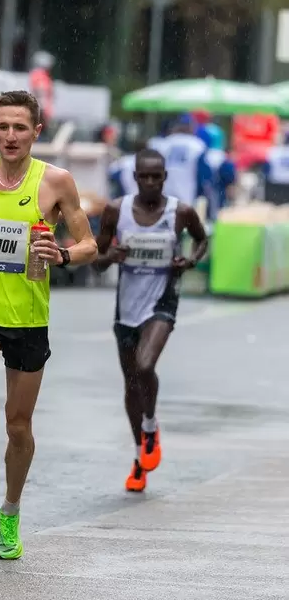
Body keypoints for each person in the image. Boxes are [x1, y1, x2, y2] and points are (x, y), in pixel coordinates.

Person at [0, 89, 97, 559]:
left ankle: (10, 511)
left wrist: (64, 254)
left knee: (18, 426)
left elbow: (89, 243)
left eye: (20, 128)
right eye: (3, 127)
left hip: (28, 316)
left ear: (36, 132)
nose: (10, 136)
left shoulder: (56, 182)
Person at [95, 148, 208, 493]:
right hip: (126, 306)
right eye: (143, 176)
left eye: (155, 176)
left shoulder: (180, 213)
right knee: (131, 383)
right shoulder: (116, 210)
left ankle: (150, 424)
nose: (149, 182)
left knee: (145, 366)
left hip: (162, 301)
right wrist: (110, 255)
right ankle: (139, 458)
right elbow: (96, 260)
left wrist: (189, 262)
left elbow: (203, 240)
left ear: (164, 178)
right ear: (135, 178)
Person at [155, 114, 212, 206]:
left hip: (164, 190)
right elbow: (204, 173)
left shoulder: (163, 144)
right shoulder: (197, 144)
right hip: (187, 192)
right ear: (190, 127)